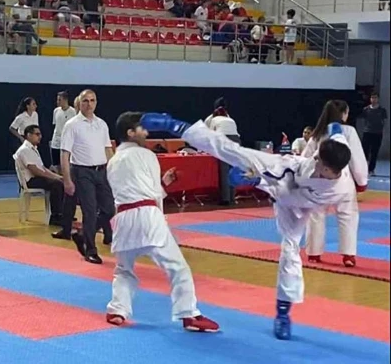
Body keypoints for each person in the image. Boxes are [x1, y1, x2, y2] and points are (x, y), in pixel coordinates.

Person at [140, 112, 355, 340]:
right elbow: (337, 134)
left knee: (290, 249)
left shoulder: (334, 191)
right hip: (293, 167)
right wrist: (335, 127)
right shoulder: (335, 151)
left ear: (331, 171)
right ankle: (177, 126)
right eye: (317, 157)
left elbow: (287, 195)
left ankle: (283, 313)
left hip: (297, 202)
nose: (316, 161)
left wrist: (256, 181)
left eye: (320, 162)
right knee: (237, 152)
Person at [104, 112, 220, 332]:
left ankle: (117, 309)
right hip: (148, 217)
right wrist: (162, 211)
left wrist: (163, 184)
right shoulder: (147, 155)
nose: (147, 133)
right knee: (178, 268)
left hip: (124, 219)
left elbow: (134, 192)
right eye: (142, 129)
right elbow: (153, 196)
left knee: (124, 270)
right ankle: (189, 314)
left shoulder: (113, 161)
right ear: (130, 133)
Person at [302, 100, 368, 268]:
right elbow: (356, 158)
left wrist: (303, 180)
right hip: (342, 181)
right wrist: (361, 182)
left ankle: (313, 252)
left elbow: (305, 159)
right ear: (344, 114)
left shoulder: (318, 133)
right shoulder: (349, 131)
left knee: (315, 215)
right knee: (348, 215)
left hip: (318, 181)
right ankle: (348, 254)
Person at [61, 89, 114, 264]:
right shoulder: (72, 125)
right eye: (85, 101)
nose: (89, 104)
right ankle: (90, 250)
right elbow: (65, 154)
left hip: (101, 170)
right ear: (80, 103)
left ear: (96, 103)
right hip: (82, 171)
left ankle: (83, 235)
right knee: (89, 211)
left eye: (92, 100)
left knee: (109, 209)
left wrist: (114, 170)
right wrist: (67, 180)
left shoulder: (102, 124)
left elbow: (108, 149)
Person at [14, 125, 67, 226]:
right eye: (37, 134)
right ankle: (56, 216)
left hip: (36, 178)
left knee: (60, 181)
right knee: (56, 185)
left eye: (40, 134)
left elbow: (43, 168)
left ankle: (62, 213)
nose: (40, 137)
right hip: (31, 181)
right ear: (29, 135)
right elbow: (35, 171)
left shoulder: (33, 149)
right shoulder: (25, 150)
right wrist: (54, 177)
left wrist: (58, 176)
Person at [205, 105, 240, 206]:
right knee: (232, 170)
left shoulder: (214, 119)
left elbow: (210, 134)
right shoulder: (231, 119)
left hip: (224, 140)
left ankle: (225, 199)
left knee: (224, 171)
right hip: (236, 141)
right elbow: (237, 134)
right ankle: (232, 198)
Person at [360, 92, 387, 176]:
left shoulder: (382, 110)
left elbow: (385, 121)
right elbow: (363, 120)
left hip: (377, 133)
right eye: (372, 97)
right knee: (365, 151)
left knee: (374, 152)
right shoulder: (366, 109)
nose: (373, 99)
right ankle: (364, 169)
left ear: (378, 99)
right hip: (367, 132)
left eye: (375, 97)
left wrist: (381, 129)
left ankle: (371, 169)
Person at [50, 91, 76, 171]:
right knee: (56, 165)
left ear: (65, 100)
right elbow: (55, 124)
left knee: (66, 164)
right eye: (57, 100)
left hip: (67, 142)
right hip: (56, 142)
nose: (57, 102)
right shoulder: (56, 111)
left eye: (59, 100)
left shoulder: (73, 112)